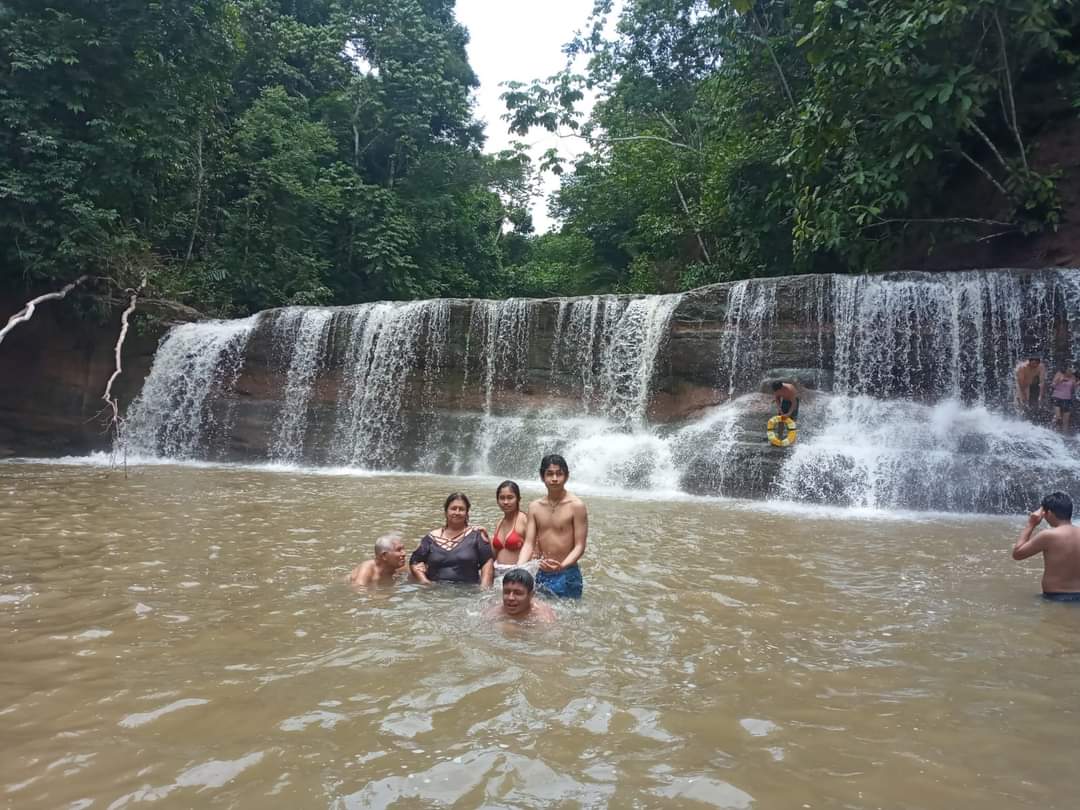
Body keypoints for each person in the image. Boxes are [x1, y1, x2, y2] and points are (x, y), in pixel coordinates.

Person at [517, 454, 587, 598]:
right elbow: (529, 543)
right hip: (542, 572)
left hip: (568, 572)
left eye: (559, 474)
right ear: (542, 477)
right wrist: (519, 568)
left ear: (567, 476)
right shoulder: (535, 507)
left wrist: (562, 566)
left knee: (568, 617)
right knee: (538, 615)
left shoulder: (576, 506)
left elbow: (580, 546)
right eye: (549, 474)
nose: (554, 479)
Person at [409, 492, 494, 587]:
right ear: (446, 512)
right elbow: (414, 562)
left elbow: (487, 563)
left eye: (461, 509)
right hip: (435, 593)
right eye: (453, 509)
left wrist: (484, 590)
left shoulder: (477, 536)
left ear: (467, 513)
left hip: (468, 593)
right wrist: (425, 582)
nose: (457, 512)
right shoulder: (430, 538)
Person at [1012, 491, 1080, 601]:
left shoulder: (1049, 535)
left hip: (1055, 597)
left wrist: (1031, 524)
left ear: (1049, 513)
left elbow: (1018, 554)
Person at [490, 480, 537, 579]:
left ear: (518, 499)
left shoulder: (525, 520)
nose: (506, 502)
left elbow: (536, 550)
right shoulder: (499, 523)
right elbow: (494, 553)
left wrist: (522, 573)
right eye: (502, 498)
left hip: (516, 574)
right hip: (497, 574)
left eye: (510, 497)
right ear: (497, 500)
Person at [483, 569, 556, 623]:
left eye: (518, 593)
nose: (510, 598)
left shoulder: (543, 617)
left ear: (531, 595)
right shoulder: (493, 613)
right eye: (507, 592)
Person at [1049, 362, 1077, 433]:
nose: (1071, 372)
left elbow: (1074, 389)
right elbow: (1052, 385)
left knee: (1066, 421)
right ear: (1065, 370)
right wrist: (1059, 381)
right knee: (1058, 418)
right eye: (1069, 370)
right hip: (1057, 398)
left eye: (1072, 370)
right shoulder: (1059, 374)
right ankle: (1056, 433)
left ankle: (1065, 435)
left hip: (1067, 399)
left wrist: (1076, 384)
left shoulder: (1073, 377)